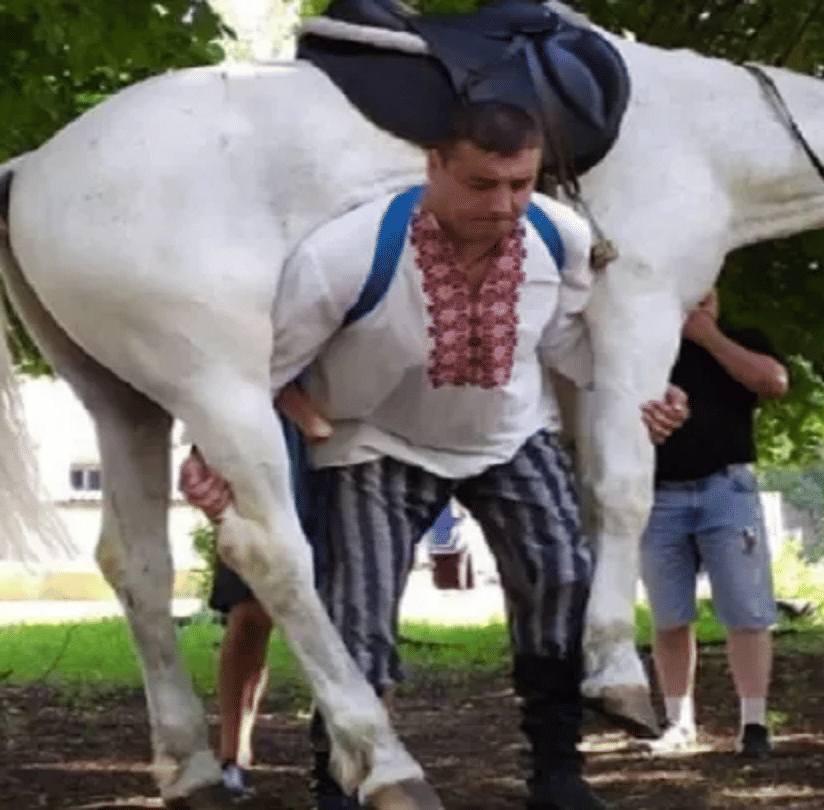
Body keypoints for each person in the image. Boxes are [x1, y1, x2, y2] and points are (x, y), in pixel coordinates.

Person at [180, 100, 691, 810]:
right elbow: (264, 369)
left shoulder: (559, 236)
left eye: (521, 183)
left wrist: (644, 394)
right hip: (372, 441)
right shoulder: (348, 253)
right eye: (483, 185)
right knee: (357, 613)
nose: (506, 204)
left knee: (563, 575)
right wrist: (209, 455)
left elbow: (569, 342)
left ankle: (558, 775)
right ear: (433, 165)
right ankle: (339, 786)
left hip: (509, 434)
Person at [637, 290, 789, 759]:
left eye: (708, 296)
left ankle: (754, 724)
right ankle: (679, 723)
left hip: (728, 489)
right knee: (669, 616)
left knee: (746, 610)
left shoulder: (743, 339)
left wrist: (709, 337)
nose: (699, 303)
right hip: (657, 494)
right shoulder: (647, 344)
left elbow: (774, 382)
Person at [178, 388, 332, 800]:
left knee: (348, 616)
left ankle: (342, 758)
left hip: (346, 446)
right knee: (250, 614)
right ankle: (233, 756)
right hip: (258, 445)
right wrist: (202, 448)